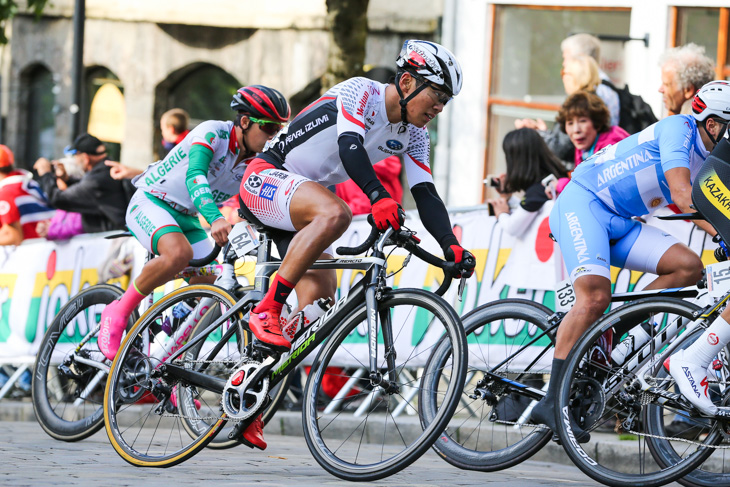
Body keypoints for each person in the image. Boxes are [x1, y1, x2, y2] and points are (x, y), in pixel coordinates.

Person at [237, 39, 476, 450]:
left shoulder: (415, 135)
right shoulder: (358, 92)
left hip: (299, 198)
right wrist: (379, 196)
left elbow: (425, 192)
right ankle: (266, 310)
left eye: (445, 101)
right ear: (406, 82)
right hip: (267, 177)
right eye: (436, 97)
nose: (439, 108)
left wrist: (450, 245)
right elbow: (350, 148)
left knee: (320, 297)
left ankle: (250, 391)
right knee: (337, 214)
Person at [529, 81, 730, 436]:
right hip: (584, 203)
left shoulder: (707, 155)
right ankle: (551, 400)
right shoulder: (678, 130)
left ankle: (606, 337)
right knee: (594, 297)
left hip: (619, 221)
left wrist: (720, 234)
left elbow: (701, 207)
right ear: (713, 123)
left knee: (687, 267)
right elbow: (684, 196)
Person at [96, 84, 290, 362]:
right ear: (245, 122)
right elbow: (195, 175)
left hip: (185, 218)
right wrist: (215, 219)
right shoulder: (213, 132)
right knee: (179, 254)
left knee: (221, 286)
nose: (274, 136)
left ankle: (170, 360)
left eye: (279, 130)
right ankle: (118, 309)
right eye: (270, 128)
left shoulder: (256, 161)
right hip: (151, 201)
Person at [34, 134, 133, 234]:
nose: (75, 161)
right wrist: (67, 179)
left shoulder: (96, 181)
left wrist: (45, 173)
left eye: (76, 156)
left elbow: (58, 199)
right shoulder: (106, 170)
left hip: (114, 239)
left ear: (85, 158)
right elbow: (87, 191)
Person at [487, 128, 568, 234]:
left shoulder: (539, 189)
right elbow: (528, 209)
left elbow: (513, 228)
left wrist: (501, 213)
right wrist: (508, 197)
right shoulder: (552, 179)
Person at [549, 91, 629, 195]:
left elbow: (597, 189)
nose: (576, 130)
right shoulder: (584, 145)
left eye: (582, 121)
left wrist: (562, 185)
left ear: (597, 123)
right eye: (570, 123)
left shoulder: (611, 145)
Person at [560, 33, 620, 127]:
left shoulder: (598, 89)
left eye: (566, 58)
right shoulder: (602, 85)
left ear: (580, 57)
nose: (564, 64)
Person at [0, 145, 54, 245]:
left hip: (31, 254)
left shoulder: (6, 193)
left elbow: (12, 236)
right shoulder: (25, 182)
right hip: (45, 249)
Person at [658, 43, 715, 117]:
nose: (660, 89)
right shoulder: (709, 122)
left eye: (666, 84)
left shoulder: (690, 126)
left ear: (688, 90)